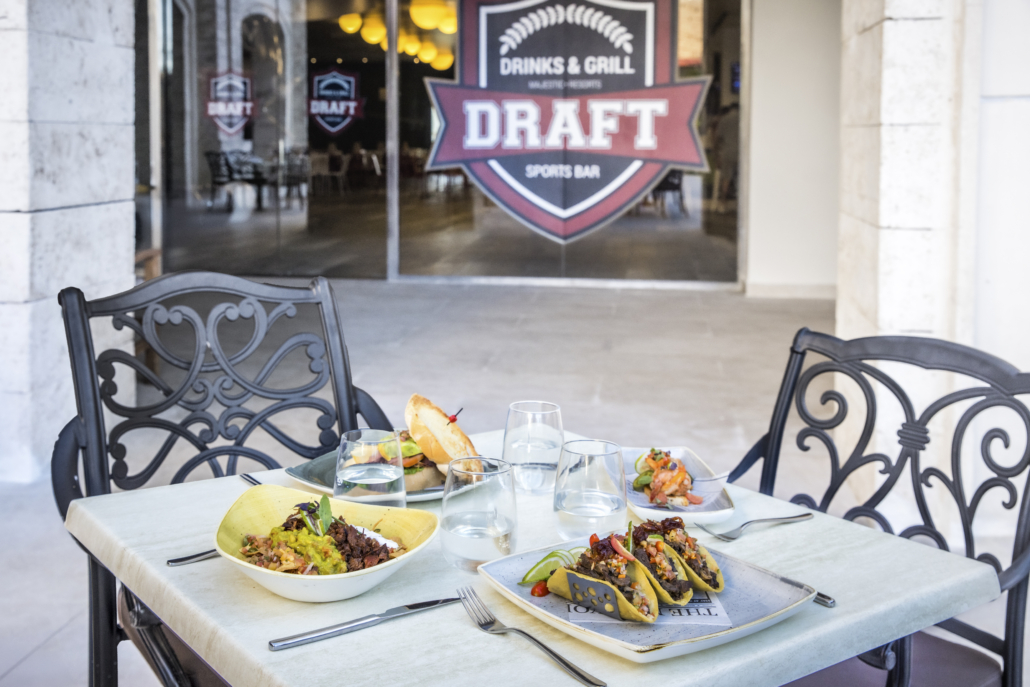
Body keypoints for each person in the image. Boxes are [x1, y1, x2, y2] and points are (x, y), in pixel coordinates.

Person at [714, 103, 739, 212]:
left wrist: (717, 155)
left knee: (726, 178)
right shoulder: (744, 119)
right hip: (741, 153)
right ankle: (740, 204)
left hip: (727, 152)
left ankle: (722, 204)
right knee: (740, 179)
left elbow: (717, 138)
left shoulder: (724, 119)